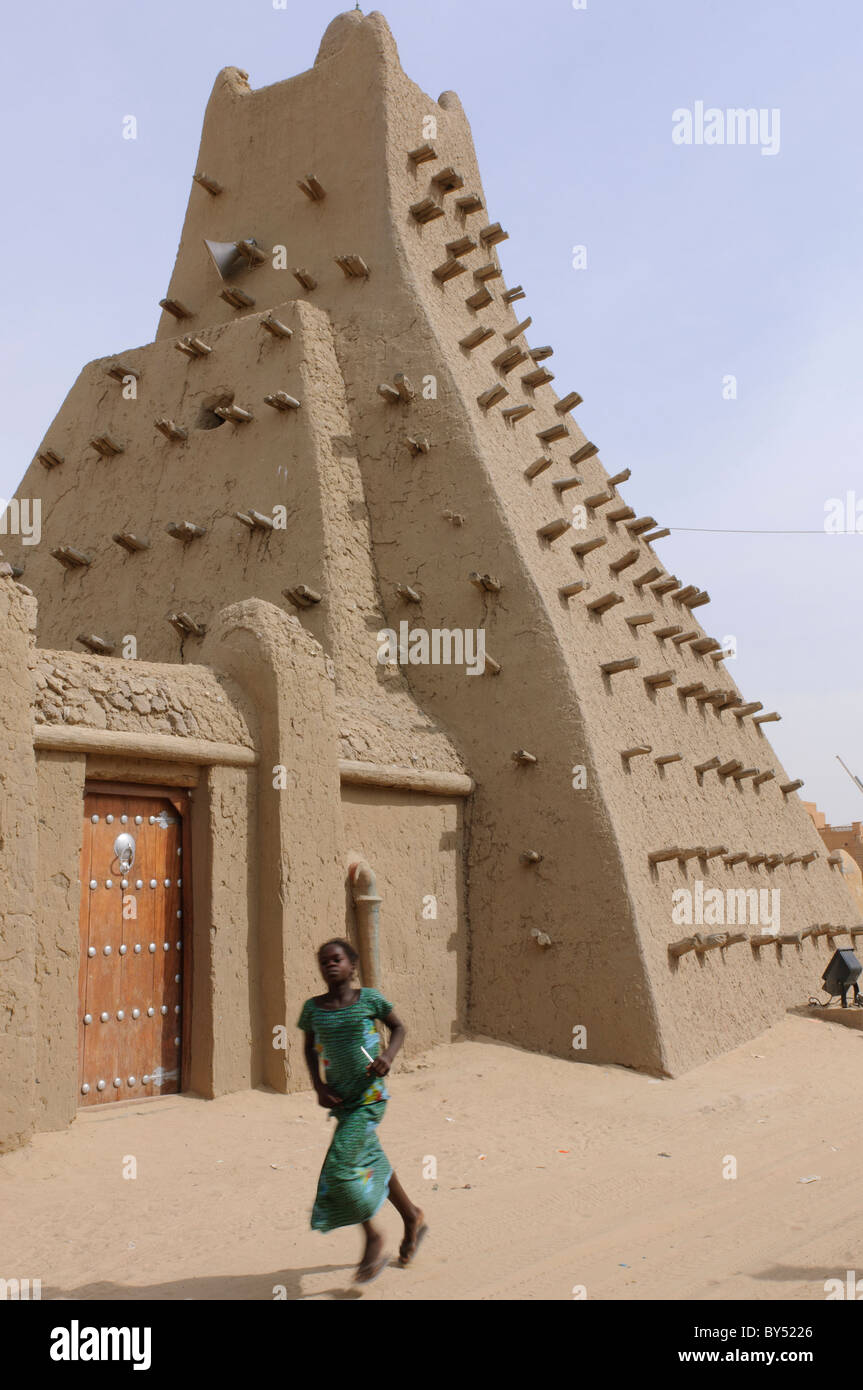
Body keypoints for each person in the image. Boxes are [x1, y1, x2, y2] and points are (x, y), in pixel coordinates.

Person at [297, 938, 427, 1283]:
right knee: (371, 1158)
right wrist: (319, 1086)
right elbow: (309, 1048)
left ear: (352, 965)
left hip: (369, 1099)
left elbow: (398, 1027)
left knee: (340, 1166)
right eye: (324, 961)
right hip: (342, 1101)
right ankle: (412, 1216)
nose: (330, 965)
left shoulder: (369, 999)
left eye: (337, 959)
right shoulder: (313, 1008)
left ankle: (372, 1237)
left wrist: (387, 1057)